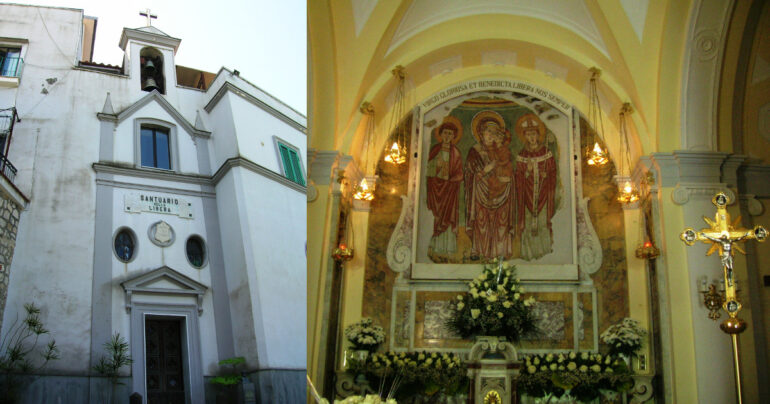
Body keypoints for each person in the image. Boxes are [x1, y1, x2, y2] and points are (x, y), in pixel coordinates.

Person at [464, 110, 515, 260]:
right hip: (480, 193)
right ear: (481, 133)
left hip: (502, 192)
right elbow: (469, 173)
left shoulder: (502, 151)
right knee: (482, 221)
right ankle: (478, 250)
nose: (491, 134)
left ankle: (499, 252)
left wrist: (506, 178)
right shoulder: (475, 151)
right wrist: (485, 171)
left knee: (501, 221)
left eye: (495, 132)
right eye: (488, 131)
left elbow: (508, 169)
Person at [514, 113, 557, 260]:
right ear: (524, 136)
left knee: (542, 224)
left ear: (538, 135)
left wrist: (547, 176)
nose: (531, 137)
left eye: (534, 134)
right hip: (527, 197)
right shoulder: (522, 155)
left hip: (543, 196)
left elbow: (553, 173)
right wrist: (528, 172)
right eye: (528, 134)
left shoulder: (546, 153)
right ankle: (528, 254)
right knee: (528, 225)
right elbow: (518, 178)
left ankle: (544, 253)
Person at [426, 117, 464, 255]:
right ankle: (433, 247)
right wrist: (436, 167)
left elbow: (460, 173)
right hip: (435, 189)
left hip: (449, 192)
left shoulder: (456, 153)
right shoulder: (434, 150)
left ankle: (447, 247)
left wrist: (451, 179)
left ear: (454, 136)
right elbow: (426, 170)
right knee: (435, 216)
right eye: (445, 133)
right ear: (440, 134)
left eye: (450, 134)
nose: (447, 136)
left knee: (446, 218)